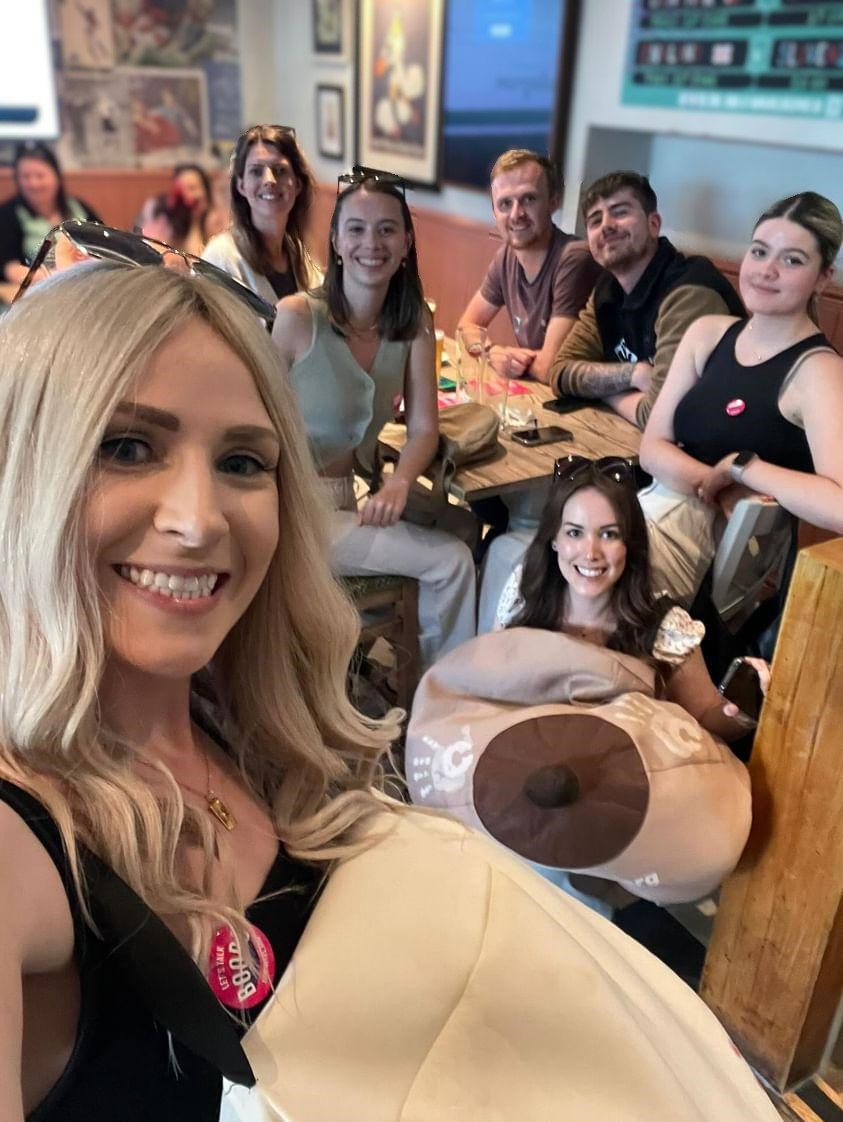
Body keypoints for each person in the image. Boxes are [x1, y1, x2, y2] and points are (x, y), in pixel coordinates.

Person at [0, 264, 779, 1122]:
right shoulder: (19, 843)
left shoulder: (252, 732)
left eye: (242, 461)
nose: (200, 520)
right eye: (125, 447)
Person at [271, 172, 477, 669]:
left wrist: (400, 482)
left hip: (355, 497)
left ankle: (401, 658)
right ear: (337, 243)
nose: (372, 243)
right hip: (295, 513)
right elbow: (252, 421)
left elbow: (424, 428)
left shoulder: (414, 323)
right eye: (357, 229)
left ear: (406, 243)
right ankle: (444, 688)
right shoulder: (297, 317)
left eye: (387, 230)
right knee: (451, 561)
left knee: (466, 524)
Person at [639, 191, 843, 606]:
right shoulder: (707, 332)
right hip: (656, 509)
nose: (767, 270)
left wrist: (743, 468)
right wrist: (716, 484)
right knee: (538, 560)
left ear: (824, 277)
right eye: (759, 251)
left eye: (792, 260)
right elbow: (652, 448)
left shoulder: (819, 370)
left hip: (720, 554)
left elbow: (839, 504)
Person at [494, 456, 766, 741]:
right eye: (575, 533)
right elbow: (494, 683)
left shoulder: (664, 627)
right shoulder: (524, 592)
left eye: (609, 534)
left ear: (630, 543)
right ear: (554, 540)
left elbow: (707, 716)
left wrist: (744, 705)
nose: (591, 553)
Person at [543, 171, 744, 428]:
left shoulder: (689, 293)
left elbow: (662, 416)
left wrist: (605, 393)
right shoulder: (607, 290)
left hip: (717, 445)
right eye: (595, 220)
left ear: (653, 224)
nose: (606, 225)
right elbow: (560, 371)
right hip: (634, 437)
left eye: (620, 212)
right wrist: (633, 374)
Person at [458, 149, 601, 383]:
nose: (516, 214)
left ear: (553, 202)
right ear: (494, 211)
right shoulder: (506, 257)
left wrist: (508, 360)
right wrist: (491, 353)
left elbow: (550, 368)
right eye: (505, 204)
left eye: (529, 199)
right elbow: (467, 326)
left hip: (587, 399)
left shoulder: (575, 259)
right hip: (543, 392)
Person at [202, 125, 321, 304]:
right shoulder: (221, 258)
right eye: (256, 171)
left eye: (280, 170)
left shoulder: (300, 256)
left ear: (297, 184)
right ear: (241, 185)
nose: (269, 181)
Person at [0, 142, 101, 286]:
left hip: (87, 285)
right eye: (26, 177)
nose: (33, 183)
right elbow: (11, 270)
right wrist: (60, 275)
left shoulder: (78, 206)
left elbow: (105, 249)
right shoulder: (7, 214)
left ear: (56, 177)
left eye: (40, 176)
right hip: (38, 290)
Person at [172, 162, 226, 255]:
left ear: (205, 190)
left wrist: (196, 220)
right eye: (181, 189)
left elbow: (195, 257)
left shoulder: (214, 219)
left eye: (192, 188)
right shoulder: (172, 218)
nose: (186, 194)